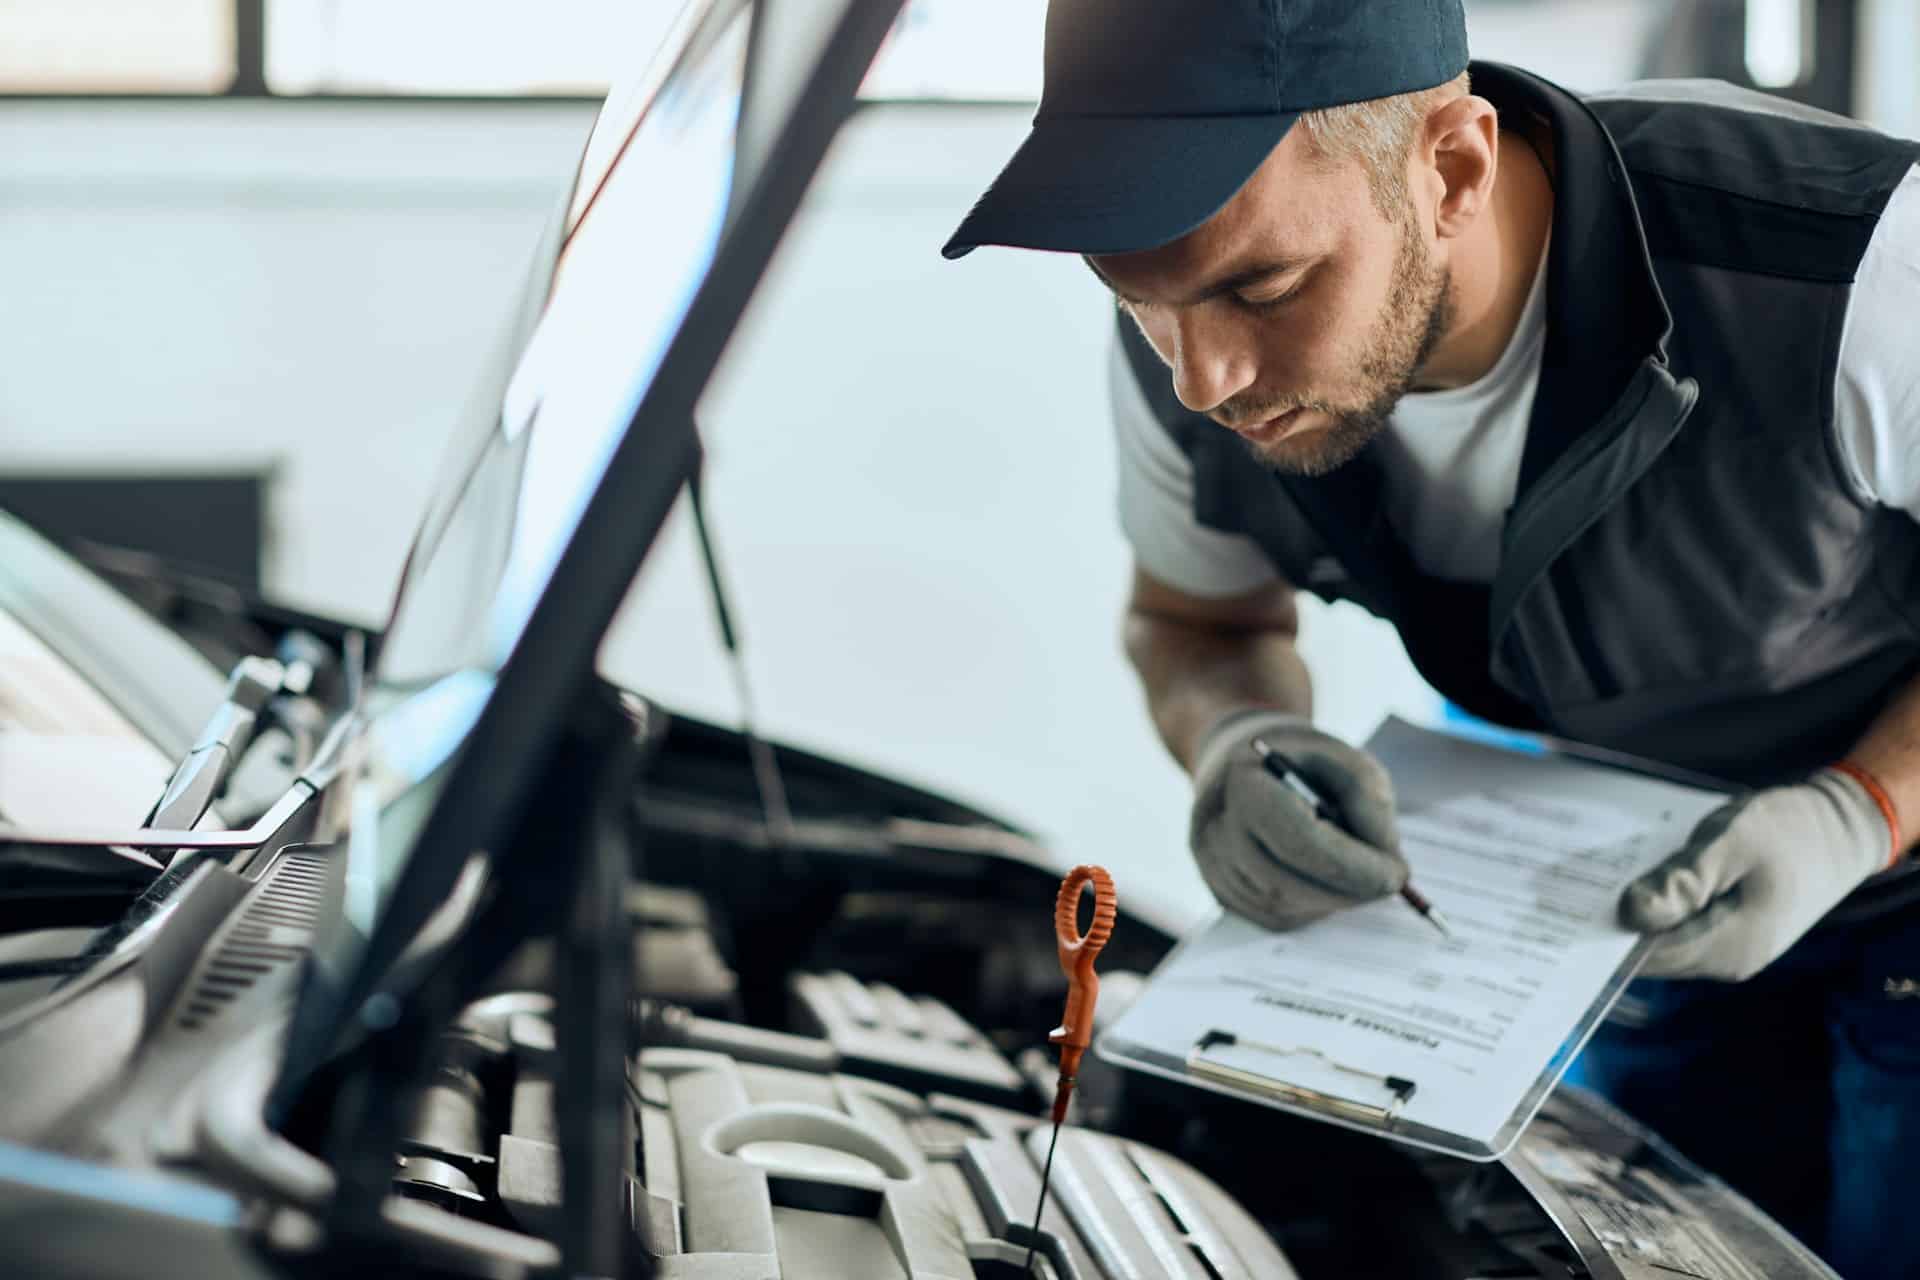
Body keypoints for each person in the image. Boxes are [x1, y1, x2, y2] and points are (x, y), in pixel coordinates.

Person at [941, 1, 1920, 1274]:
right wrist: (1239, 733)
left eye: (1265, 284)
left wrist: (1861, 811)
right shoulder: (1189, 338)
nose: (1203, 379)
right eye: (1136, 299)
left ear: (1452, 166)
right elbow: (1194, 616)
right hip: (1621, 887)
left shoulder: (1844, 267)